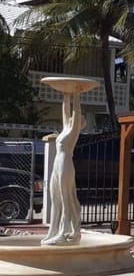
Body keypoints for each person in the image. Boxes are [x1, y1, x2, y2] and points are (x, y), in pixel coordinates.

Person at [42, 91, 84, 245]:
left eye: (78, 119)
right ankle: (53, 231)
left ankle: (64, 233)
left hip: (65, 164)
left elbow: (75, 111)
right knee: (55, 198)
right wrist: (66, 95)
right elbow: (66, 111)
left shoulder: (73, 131)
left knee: (66, 199)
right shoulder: (66, 128)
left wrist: (77, 95)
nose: (73, 118)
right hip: (57, 164)